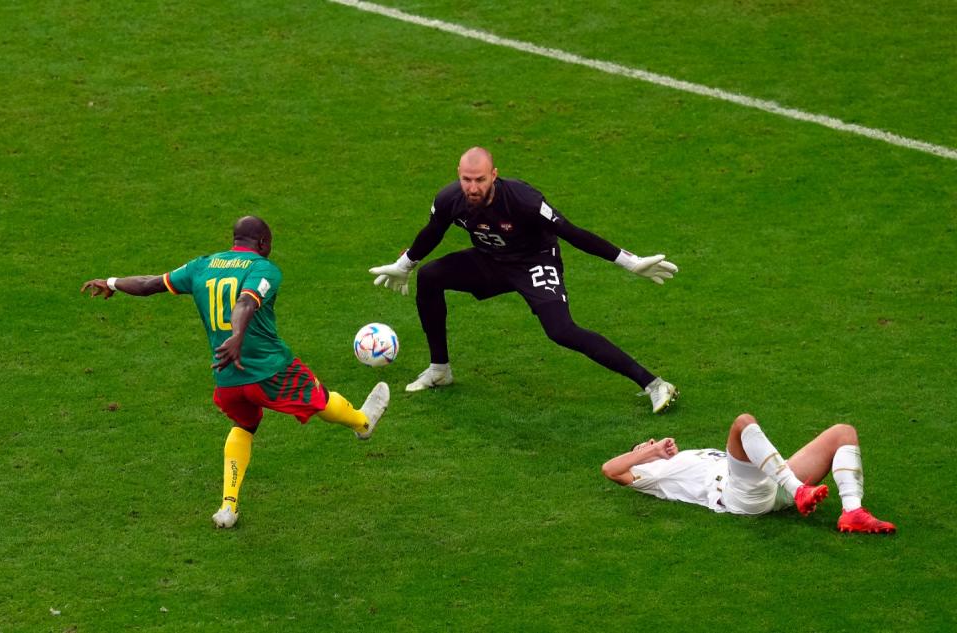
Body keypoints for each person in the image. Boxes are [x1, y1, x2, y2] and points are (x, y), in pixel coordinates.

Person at [81, 216, 390, 529]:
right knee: (320, 399)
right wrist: (238, 336)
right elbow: (245, 302)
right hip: (270, 370)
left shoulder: (201, 266)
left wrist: (111, 282)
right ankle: (363, 423)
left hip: (226, 375)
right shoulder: (263, 269)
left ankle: (228, 507)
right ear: (263, 243)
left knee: (244, 424)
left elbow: (149, 284)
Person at [369, 147, 680, 413]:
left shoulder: (523, 200)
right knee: (430, 276)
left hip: (535, 261)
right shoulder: (451, 199)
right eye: (466, 179)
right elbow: (433, 232)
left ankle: (654, 383)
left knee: (562, 331)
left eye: (479, 179)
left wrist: (630, 262)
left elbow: (572, 232)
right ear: (458, 175)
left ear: (494, 175)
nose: (472, 187)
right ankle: (440, 370)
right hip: (491, 260)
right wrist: (405, 263)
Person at [601, 413, 896, 533]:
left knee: (843, 433)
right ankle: (798, 490)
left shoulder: (687, 457)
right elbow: (610, 470)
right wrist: (650, 453)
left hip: (767, 486)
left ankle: (853, 511)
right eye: (643, 446)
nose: (651, 444)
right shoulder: (653, 477)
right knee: (742, 423)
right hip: (739, 497)